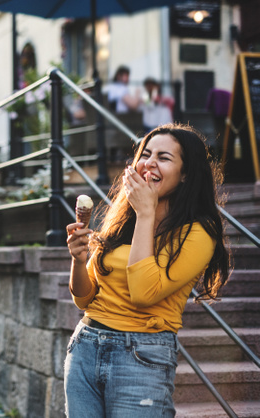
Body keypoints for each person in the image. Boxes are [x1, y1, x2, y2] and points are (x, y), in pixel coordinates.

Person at [64, 123, 230, 417]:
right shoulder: (123, 219)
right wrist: (78, 260)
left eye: (164, 158)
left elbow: (143, 292)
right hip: (86, 346)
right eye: (146, 153)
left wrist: (146, 213)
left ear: (186, 174)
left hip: (142, 355)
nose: (149, 163)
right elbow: (84, 299)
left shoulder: (198, 232)